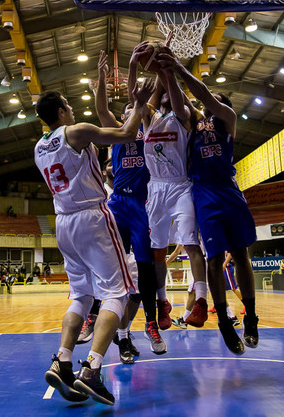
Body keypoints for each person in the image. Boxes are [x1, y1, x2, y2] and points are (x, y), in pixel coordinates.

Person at [36, 79, 154, 406]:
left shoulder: (39, 147)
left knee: (82, 296)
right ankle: (92, 368)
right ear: (61, 112)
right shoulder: (75, 132)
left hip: (63, 223)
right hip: (92, 218)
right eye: (69, 106)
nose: (73, 110)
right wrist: (140, 104)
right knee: (117, 293)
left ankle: (61, 361)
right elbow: (127, 135)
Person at [158, 50, 259, 355]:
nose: (206, 102)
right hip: (203, 193)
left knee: (241, 254)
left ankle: (251, 318)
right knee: (214, 258)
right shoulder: (196, 122)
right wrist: (166, 72)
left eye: (213, 99)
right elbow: (181, 100)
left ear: (223, 105)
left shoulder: (226, 118)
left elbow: (202, 94)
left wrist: (179, 68)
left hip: (228, 190)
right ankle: (225, 323)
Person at [90, 47, 168, 362]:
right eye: (124, 112)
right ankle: (101, 318)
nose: (127, 113)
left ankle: (151, 321)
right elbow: (102, 110)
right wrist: (102, 79)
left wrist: (151, 66)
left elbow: (141, 98)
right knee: (113, 267)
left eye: (131, 110)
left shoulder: (148, 130)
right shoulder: (119, 134)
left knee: (146, 270)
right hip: (119, 202)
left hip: (144, 203)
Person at [139, 43, 208, 336]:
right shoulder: (149, 118)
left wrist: (169, 70)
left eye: (170, 92)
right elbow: (146, 101)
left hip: (181, 186)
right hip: (155, 189)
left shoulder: (184, 116)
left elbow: (179, 100)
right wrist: (157, 67)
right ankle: (163, 302)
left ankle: (202, 300)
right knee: (157, 251)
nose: (167, 95)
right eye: (164, 94)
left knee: (191, 244)